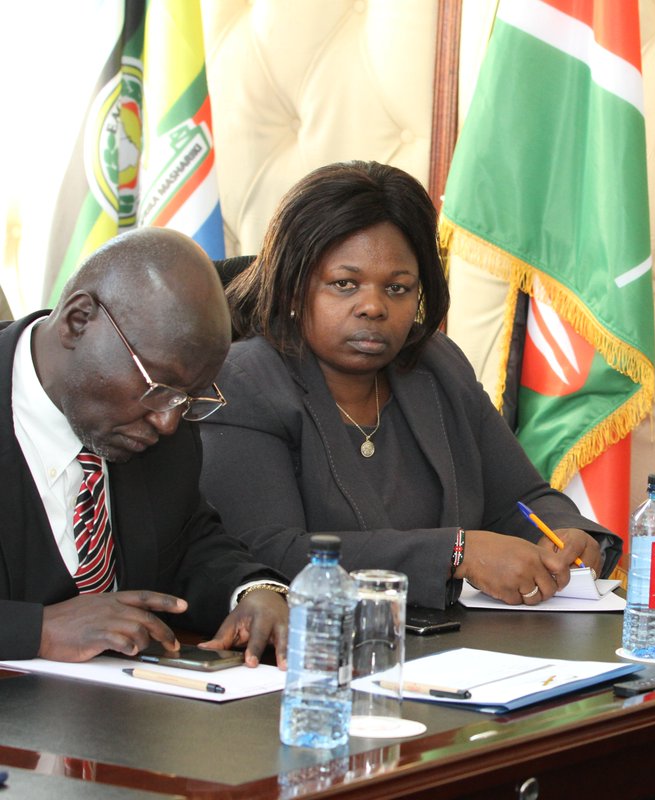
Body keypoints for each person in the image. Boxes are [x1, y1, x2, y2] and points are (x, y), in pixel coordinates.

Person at [201, 160, 621, 609]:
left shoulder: (435, 365)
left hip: (460, 647)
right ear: (291, 286)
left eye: (398, 288)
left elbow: (521, 497)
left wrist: (568, 534)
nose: (373, 307)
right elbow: (268, 552)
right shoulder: (243, 381)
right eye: (345, 284)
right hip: (316, 650)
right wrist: (456, 554)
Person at [0, 227, 289, 664]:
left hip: (123, 717)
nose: (169, 421)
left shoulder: (160, 418)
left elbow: (189, 541)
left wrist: (254, 592)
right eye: (160, 387)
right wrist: (35, 631)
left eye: (188, 398)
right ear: (79, 320)